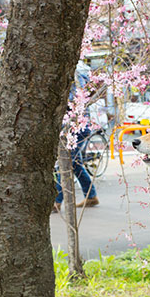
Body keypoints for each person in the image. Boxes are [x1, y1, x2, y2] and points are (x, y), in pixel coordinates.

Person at [53, 63, 99, 212]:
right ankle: (91, 196)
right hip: (77, 126)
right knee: (75, 163)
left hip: (76, 127)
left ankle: (56, 201)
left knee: (65, 162)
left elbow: (72, 101)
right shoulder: (79, 74)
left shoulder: (74, 77)